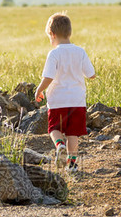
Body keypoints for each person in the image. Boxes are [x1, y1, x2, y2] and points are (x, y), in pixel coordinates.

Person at [35, 12, 96, 172]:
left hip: (57, 101)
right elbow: (91, 75)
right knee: (73, 133)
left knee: (54, 128)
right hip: (77, 101)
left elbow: (48, 77)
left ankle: (59, 145)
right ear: (69, 33)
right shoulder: (80, 51)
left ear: (52, 34)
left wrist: (39, 89)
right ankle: (72, 165)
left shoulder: (54, 53)